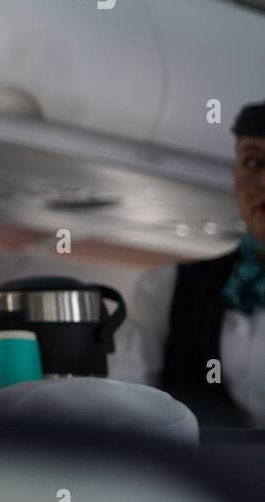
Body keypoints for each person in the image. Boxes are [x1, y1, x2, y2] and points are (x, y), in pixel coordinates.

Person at [110, 100, 265, 426]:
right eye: (252, 162)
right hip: (195, 476)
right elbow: (125, 405)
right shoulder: (167, 288)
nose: (263, 182)